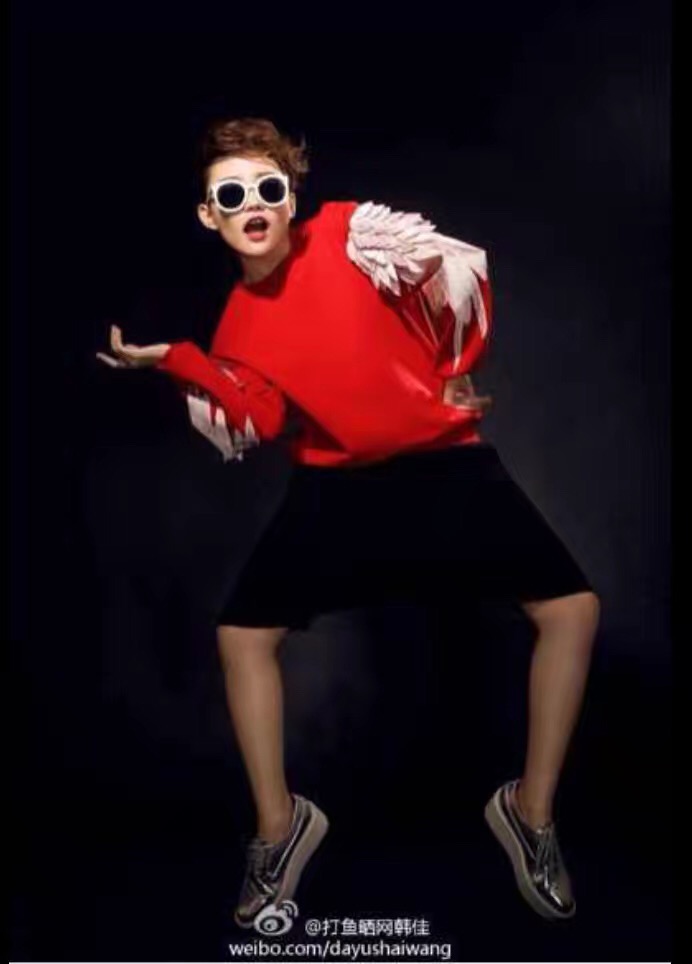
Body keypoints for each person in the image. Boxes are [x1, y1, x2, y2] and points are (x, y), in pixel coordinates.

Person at [97, 117, 600, 925]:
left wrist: (454, 367)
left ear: (292, 199)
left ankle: (528, 813)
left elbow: (456, 269)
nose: (254, 204)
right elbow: (259, 419)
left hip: (443, 465)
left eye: (269, 188)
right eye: (233, 194)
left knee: (572, 610)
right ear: (209, 215)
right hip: (337, 487)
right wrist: (181, 360)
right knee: (242, 635)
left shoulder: (345, 231)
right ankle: (280, 825)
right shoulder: (235, 326)